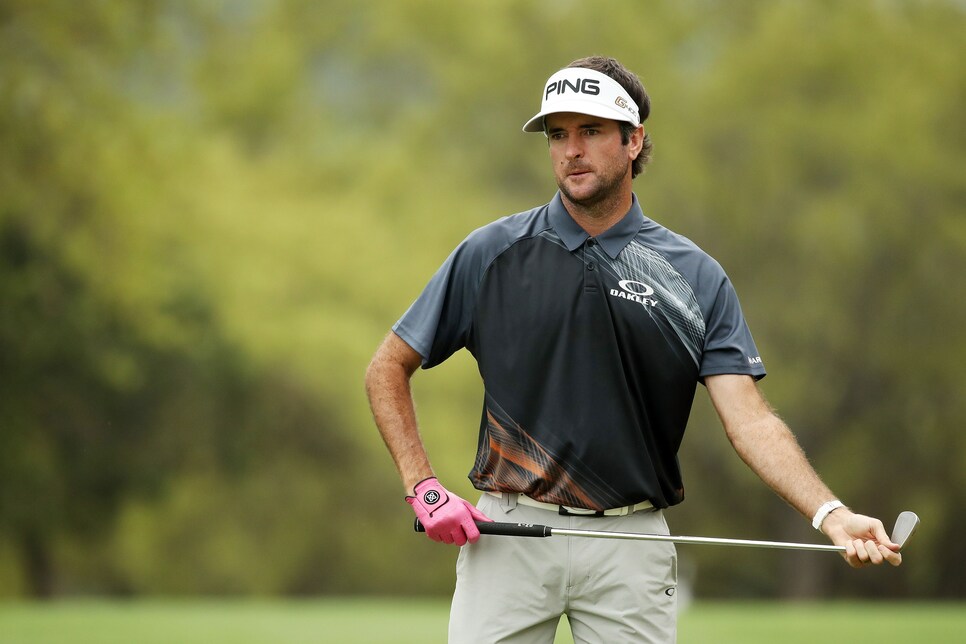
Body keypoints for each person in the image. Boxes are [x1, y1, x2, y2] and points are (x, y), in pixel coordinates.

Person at [365, 55, 902, 643]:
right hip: (509, 536)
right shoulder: (491, 254)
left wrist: (832, 514)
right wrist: (424, 488)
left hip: (631, 545)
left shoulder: (693, 275)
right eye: (558, 134)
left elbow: (750, 420)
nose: (571, 150)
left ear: (634, 139)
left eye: (590, 131)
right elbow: (388, 367)